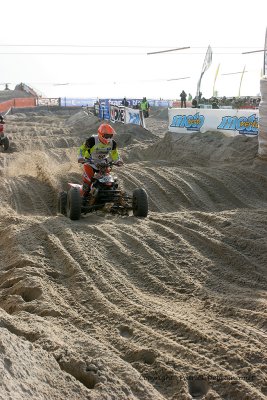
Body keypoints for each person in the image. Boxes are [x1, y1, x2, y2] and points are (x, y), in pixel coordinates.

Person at [77, 123, 123, 203]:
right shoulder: (92, 140)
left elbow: (115, 153)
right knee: (88, 181)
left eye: (110, 136)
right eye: (106, 136)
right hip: (90, 162)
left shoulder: (112, 143)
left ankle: (113, 197)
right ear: (100, 134)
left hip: (103, 164)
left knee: (110, 182)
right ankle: (83, 198)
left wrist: (118, 160)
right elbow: (82, 149)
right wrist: (80, 157)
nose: (108, 138)